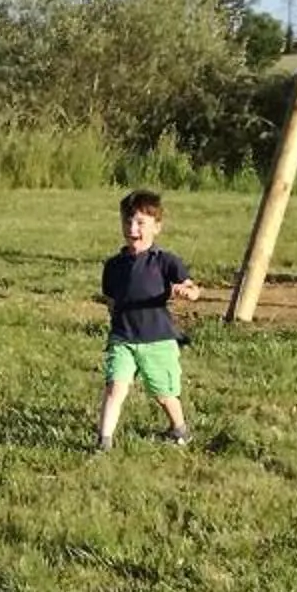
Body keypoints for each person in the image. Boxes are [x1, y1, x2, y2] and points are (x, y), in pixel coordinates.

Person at [94, 187, 199, 452]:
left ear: (157, 227)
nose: (133, 228)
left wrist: (187, 292)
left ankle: (179, 429)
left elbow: (192, 287)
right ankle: (103, 443)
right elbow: (111, 299)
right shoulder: (113, 265)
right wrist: (116, 321)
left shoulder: (165, 261)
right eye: (127, 221)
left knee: (164, 394)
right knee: (114, 388)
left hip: (158, 340)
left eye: (141, 222)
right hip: (123, 338)